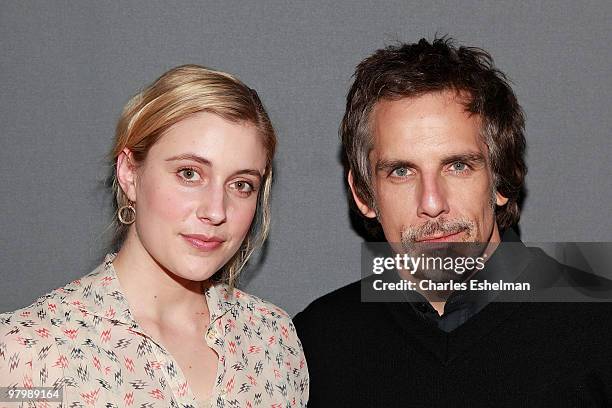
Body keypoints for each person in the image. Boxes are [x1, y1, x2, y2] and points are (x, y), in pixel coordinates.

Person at [293, 38, 612, 407]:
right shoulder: (317, 344)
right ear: (364, 194)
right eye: (401, 171)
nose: (432, 203)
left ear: (503, 177)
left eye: (458, 166)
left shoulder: (601, 327)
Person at [0, 65, 308, 407]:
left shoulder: (271, 339)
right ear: (130, 173)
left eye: (241, 185)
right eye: (189, 173)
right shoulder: (30, 349)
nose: (216, 210)